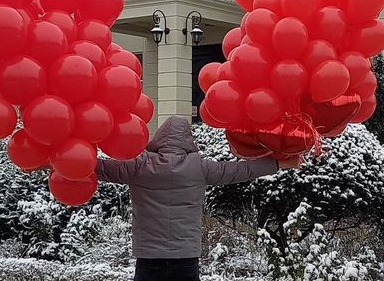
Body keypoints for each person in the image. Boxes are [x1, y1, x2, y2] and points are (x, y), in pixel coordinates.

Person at [95, 115, 301, 281]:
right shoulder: (200, 168)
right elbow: (242, 169)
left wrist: (70, 158)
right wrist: (279, 164)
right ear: (188, 140)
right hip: (186, 256)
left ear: (158, 137)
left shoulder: (138, 167)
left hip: (149, 257)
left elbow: (100, 168)